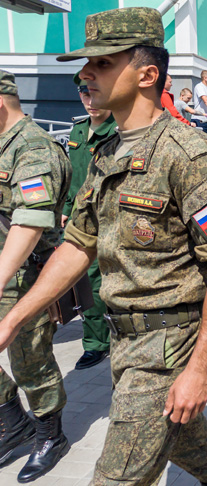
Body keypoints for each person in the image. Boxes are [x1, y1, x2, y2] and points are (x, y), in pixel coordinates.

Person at [0, 8, 207, 484]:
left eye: (103, 63)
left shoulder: (189, 155)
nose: (84, 74)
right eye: (85, 65)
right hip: (124, 342)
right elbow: (77, 244)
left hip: (167, 347)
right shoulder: (108, 152)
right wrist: (12, 318)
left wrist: (200, 368)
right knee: (188, 438)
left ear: (148, 74)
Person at [0, 69, 72, 483]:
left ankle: (50, 435)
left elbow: (29, 222)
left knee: (30, 362)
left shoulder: (35, 149)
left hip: (23, 277)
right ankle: (13, 420)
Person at [64, 71, 116, 371]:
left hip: (110, 218)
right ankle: (95, 342)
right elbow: (74, 176)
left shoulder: (119, 130)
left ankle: (105, 337)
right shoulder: (78, 131)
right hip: (79, 219)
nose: (90, 100)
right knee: (88, 282)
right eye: (83, 94)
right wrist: (66, 208)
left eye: (94, 93)